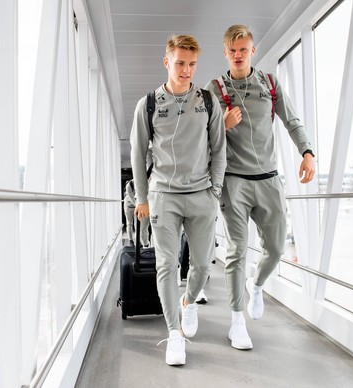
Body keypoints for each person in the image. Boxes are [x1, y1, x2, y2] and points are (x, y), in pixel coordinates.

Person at [205, 25, 315, 350]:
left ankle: (257, 284)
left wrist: (307, 152)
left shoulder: (270, 84)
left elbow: (292, 121)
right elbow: (199, 140)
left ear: (252, 50)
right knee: (236, 251)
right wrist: (221, 126)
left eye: (244, 50)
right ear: (225, 53)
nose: (238, 56)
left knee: (278, 248)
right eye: (232, 51)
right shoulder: (214, 90)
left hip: (268, 179)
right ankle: (237, 321)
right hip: (234, 183)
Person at [130, 34, 226, 366]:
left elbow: (219, 150)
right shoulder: (149, 104)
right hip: (163, 197)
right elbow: (137, 153)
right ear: (167, 61)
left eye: (192, 64)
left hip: (201, 196)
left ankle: (187, 303)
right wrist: (142, 198)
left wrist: (215, 192)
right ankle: (174, 334)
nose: (186, 70)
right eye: (180, 63)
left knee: (201, 265)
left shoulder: (209, 101)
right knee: (167, 265)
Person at [123, 179, 150, 247]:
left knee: (137, 224)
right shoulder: (129, 185)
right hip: (129, 206)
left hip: (137, 205)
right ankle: (130, 241)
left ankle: (138, 241)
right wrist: (141, 206)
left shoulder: (145, 184)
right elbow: (132, 198)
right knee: (129, 223)